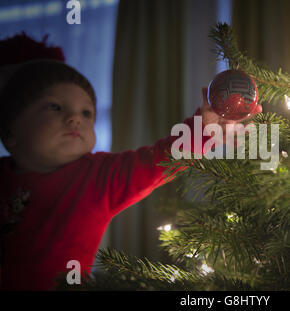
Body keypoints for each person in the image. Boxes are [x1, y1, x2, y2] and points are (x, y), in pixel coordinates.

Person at [0, 33, 262, 290]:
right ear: (10, 131)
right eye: (55, 107)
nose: (75, 118)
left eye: (86, 112)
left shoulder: (97, 177)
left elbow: (158, 161)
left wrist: (204, 128)